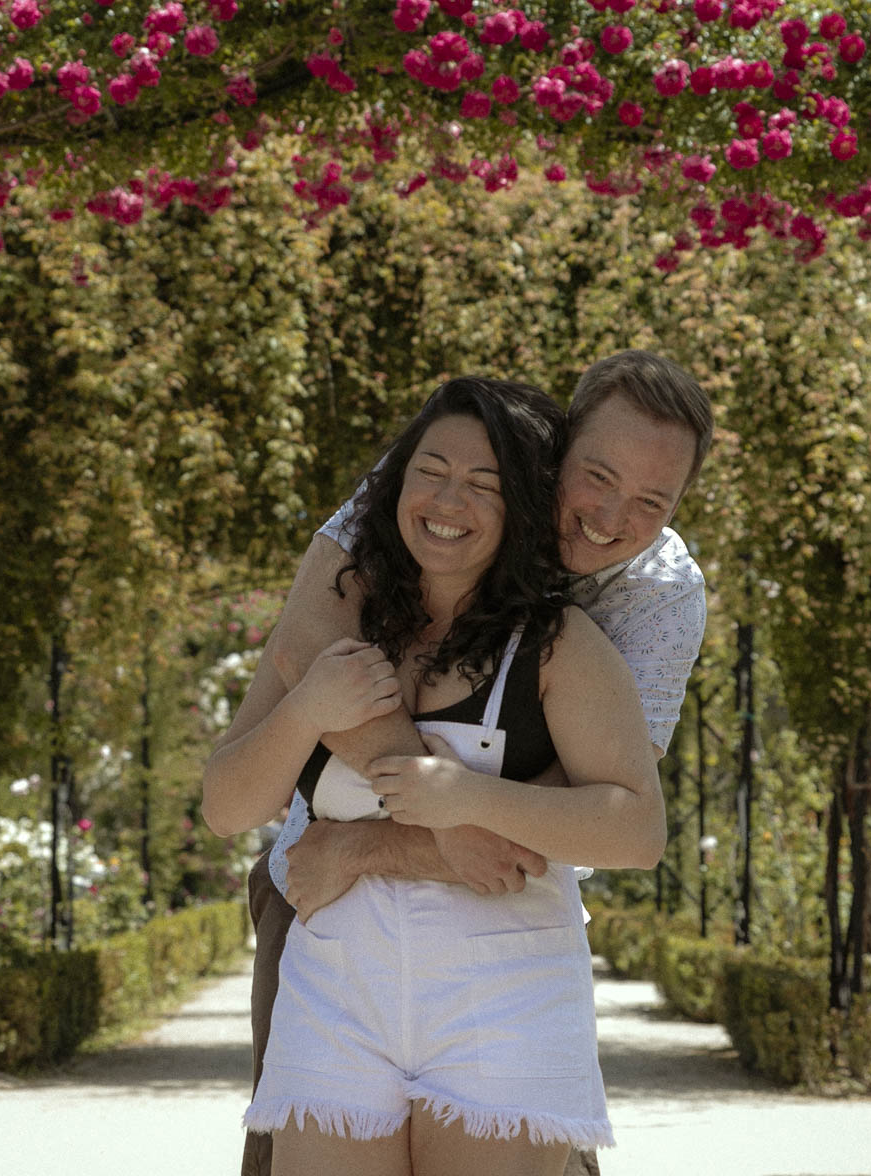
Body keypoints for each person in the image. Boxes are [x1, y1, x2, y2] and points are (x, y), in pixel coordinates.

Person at [215, 352, 714, 1176]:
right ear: (552, 450)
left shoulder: (659, 595)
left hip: (500, 919)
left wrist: (381, 842)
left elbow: (590, 807)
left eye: (650, 502)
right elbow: (305, 646)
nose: (609, 515)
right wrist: (435, 817)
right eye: (595, 476)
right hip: (318, 894)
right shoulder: (444, 478)